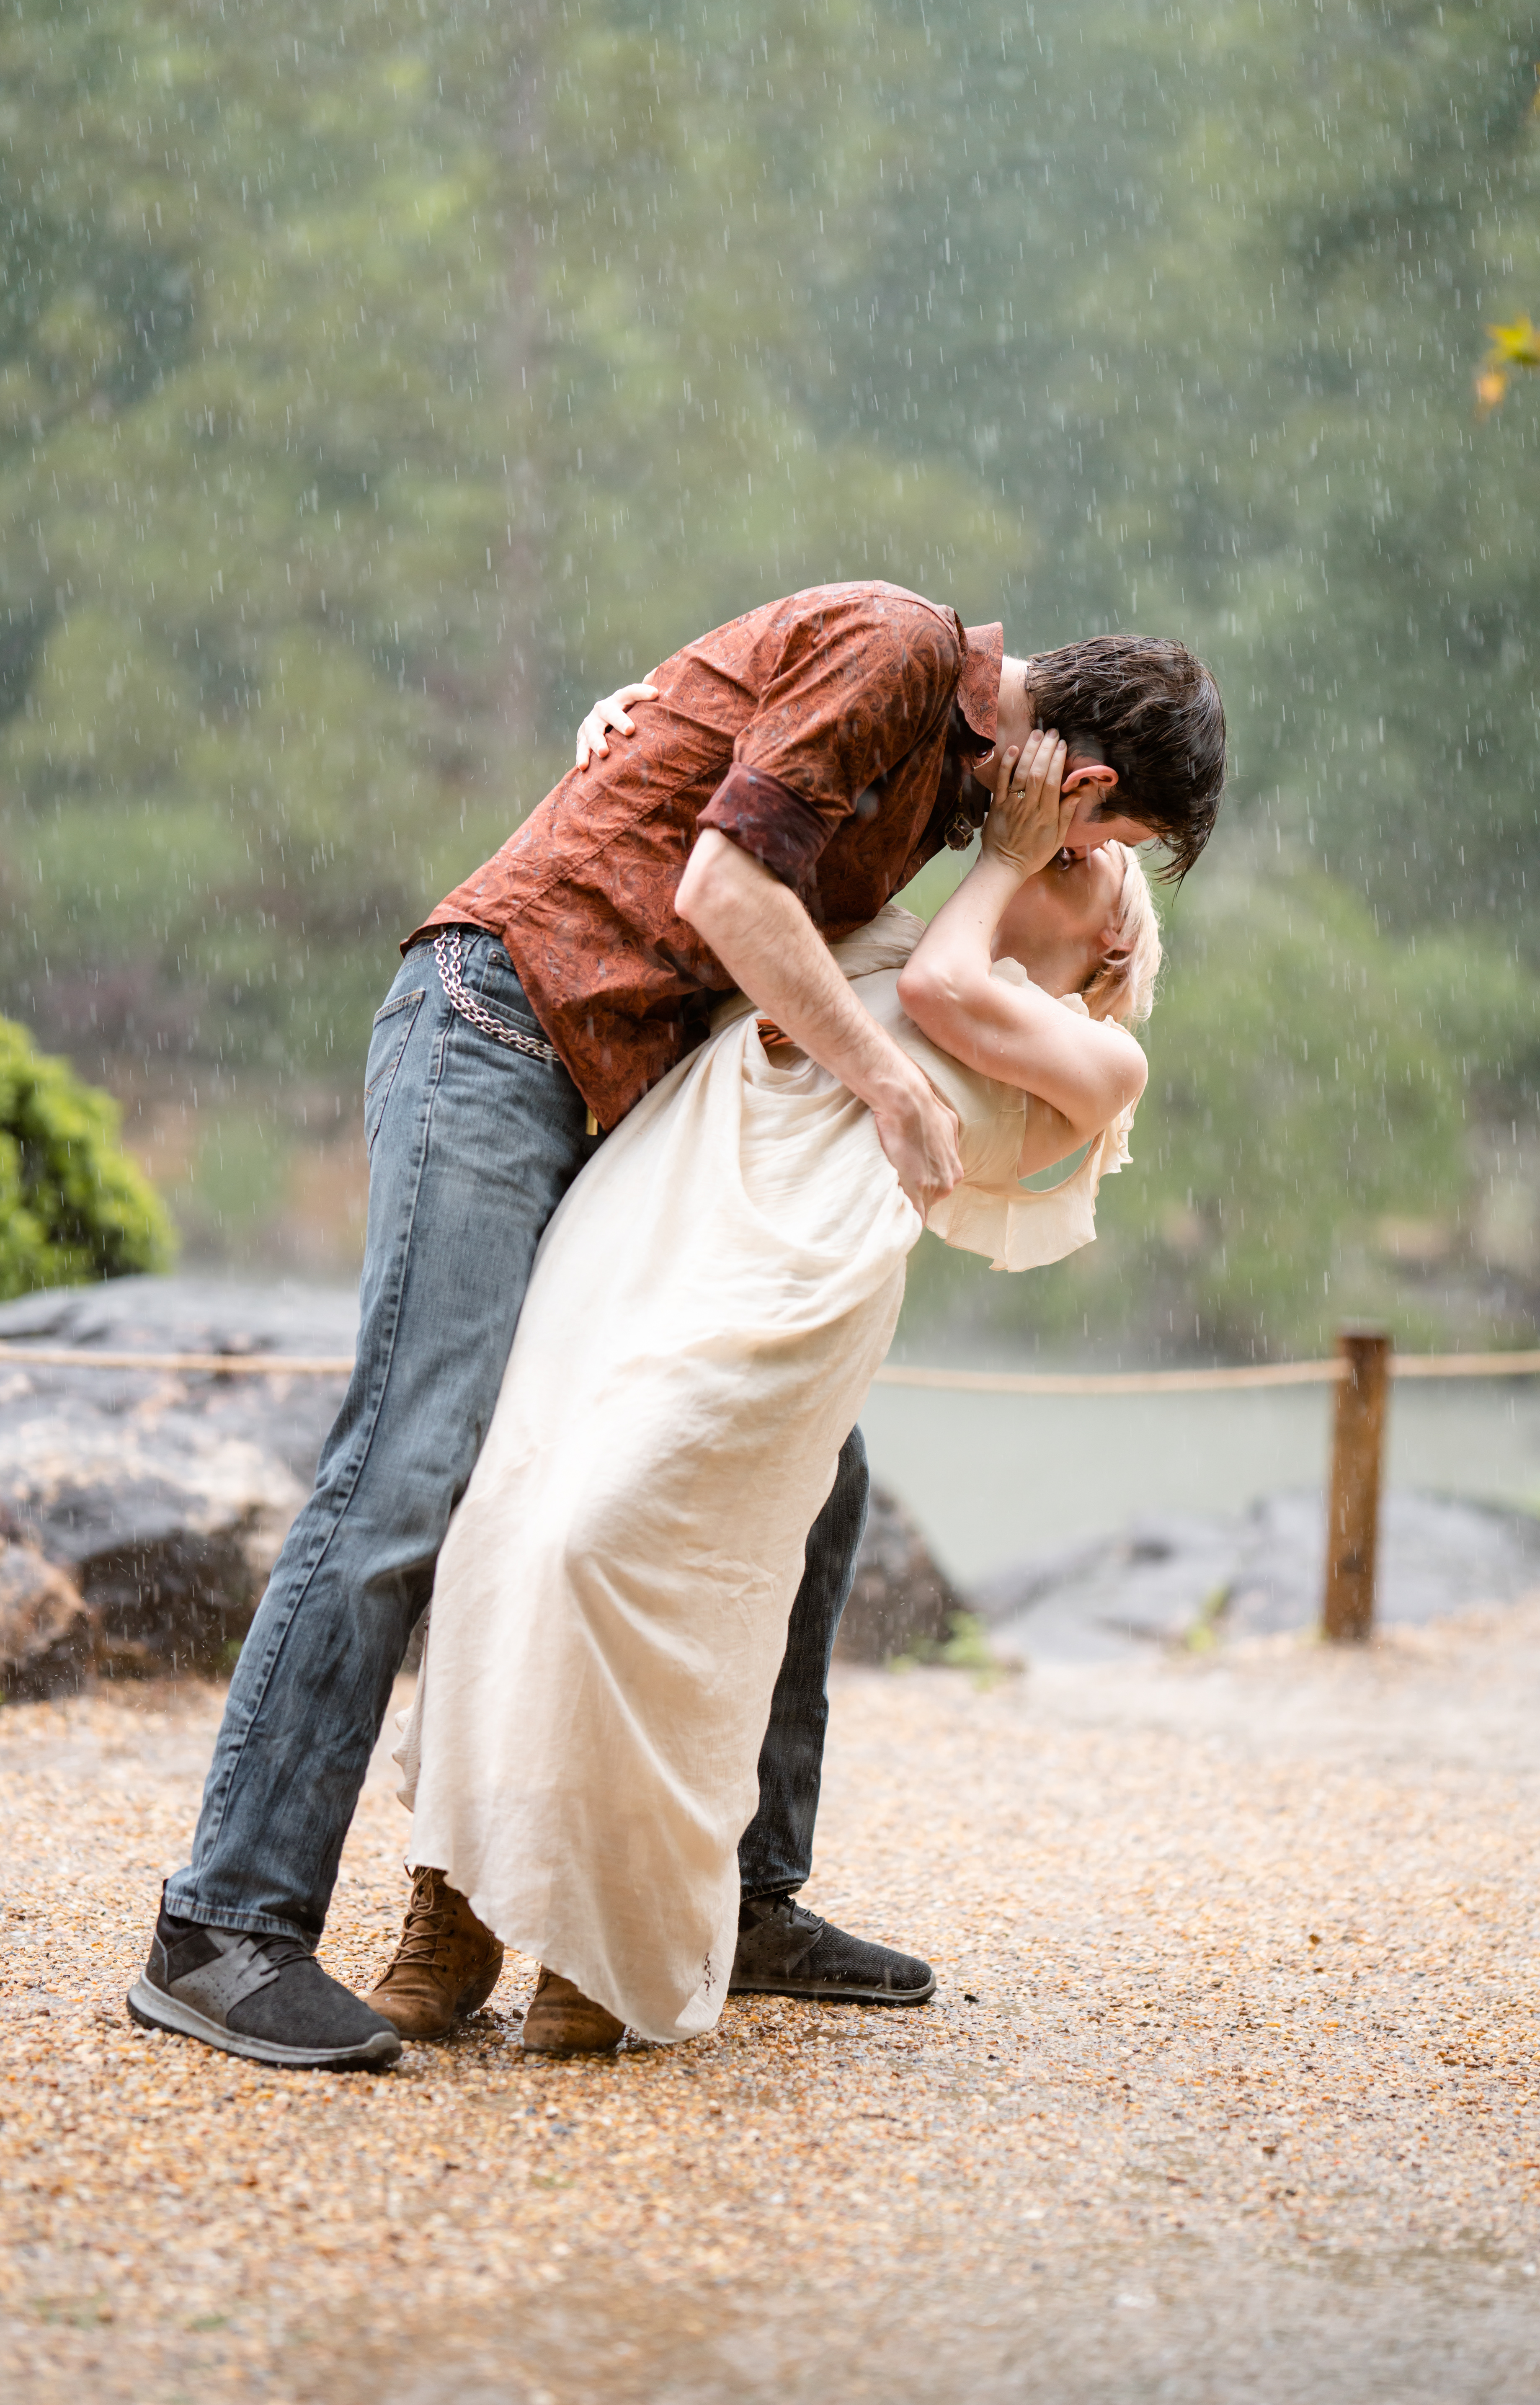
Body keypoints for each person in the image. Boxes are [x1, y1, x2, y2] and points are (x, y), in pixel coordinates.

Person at [127, 580, 1223, 2070]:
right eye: (1110, 841)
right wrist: (890, 1083)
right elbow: (724, 893)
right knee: (422, 1460)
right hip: (505, 1029)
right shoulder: (901, 652)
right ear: (1085, 781)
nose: (1092, 871)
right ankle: (227, 1926)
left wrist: (622, 726)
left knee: (814, 1485)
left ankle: (742, 1891)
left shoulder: (948, 814)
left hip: (622, 1094)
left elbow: (731, 791)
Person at [368, 736, 1158, 2051]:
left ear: (1115, 944)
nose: (1053, 847)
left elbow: (957, 996)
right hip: (655, 1217)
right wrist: (624, 725)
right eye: (1060, 840)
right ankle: (452, 1909)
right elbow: (720, 868)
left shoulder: (1089, 1051)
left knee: (624, 1547)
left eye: (1090, 864)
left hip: (790, 1281)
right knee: (507, 1523)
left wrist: (1009, 862)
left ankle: (599, 1928)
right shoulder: (882, 937)